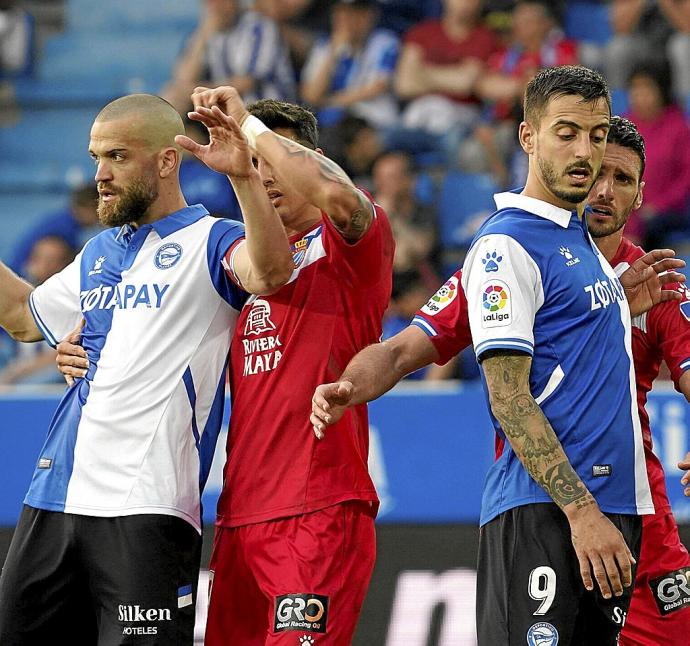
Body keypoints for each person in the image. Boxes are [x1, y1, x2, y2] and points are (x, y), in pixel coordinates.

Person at [310, 66, 687, 645]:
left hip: (629, 512)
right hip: (556, 506)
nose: (598, 177)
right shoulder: (507, 248)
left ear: (642, 192)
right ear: (531, 138)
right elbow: (413, 354)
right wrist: (345, 385)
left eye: (615, 165)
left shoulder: (614, 268)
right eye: (572, 137)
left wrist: (615, 304)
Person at [0, 93, 293, 644]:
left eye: (116, 157)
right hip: (53, 498)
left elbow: (271, 271)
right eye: (95, 158)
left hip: (146, 506)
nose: (100, 175)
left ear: (165, 161)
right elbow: (21, 315)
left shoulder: (213, 241)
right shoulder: (98, 252)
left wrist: (244, 180)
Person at [181, 87, 393, 644]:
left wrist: (249, 123)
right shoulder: (241, 267)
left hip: (319, 506)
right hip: (238, 518)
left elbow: (337, 195)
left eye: (274, 159)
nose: (266, 174)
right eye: (255, 164)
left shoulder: (350, 244)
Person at [163, 0, 296, 113]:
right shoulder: (208, 31)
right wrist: (203, 35)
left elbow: (246, 83)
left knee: (182, 95)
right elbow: (183, 79)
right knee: (173, 98)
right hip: (227, 111)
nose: (216, 5)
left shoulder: (259, 27)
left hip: (268, 112)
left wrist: (198, 92)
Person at [300, 0, 399, 129]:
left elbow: (377, 87)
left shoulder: (384, 41)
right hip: (333, 123)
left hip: (375, 121)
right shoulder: (324, 46)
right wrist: (334, 51)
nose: (352, 19)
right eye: (345, 12)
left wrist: (327, 103)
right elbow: (311, 96)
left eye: (359, 12)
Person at [0, 236, 75, 386]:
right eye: (37, 258)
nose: (44, 265)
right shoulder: (21, 298)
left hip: (56, 379)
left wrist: (19, 371)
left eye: (51, 260)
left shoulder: (75, 300)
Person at [8, 183, 100, 275]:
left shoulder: (65, 221)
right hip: (23, 274)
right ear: (86, 208)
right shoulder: (65, 227)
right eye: (96, 212)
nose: (99, 219)